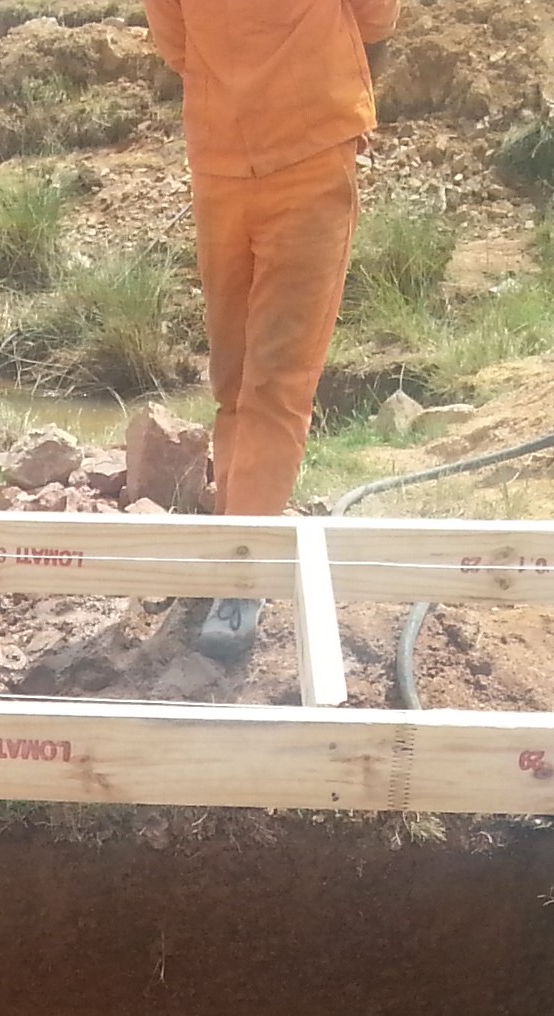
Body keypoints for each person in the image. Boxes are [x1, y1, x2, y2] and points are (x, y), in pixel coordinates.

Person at [144, 0, 393, 665]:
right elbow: (376, 20)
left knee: (257, 378)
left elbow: (175, 43)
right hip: (288, 148)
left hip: (250, 153)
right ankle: (242, 555)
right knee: (257, 379)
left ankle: (242, 558)